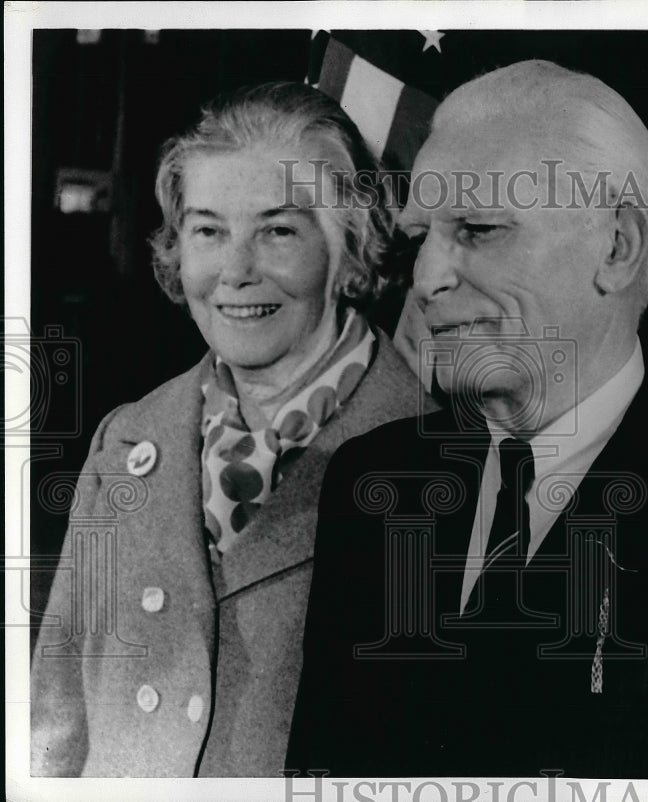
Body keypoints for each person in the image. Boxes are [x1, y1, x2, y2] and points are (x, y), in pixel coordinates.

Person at [288, 61, 648, 778]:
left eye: (479, 229)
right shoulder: (369, 484)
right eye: (421, 238)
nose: (427, 279)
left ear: (618, 247)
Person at [30, 82, 434, 777]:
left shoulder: (438, 464)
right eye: (209, 231)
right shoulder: (126, 441)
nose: (236, 271)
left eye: (278, 231)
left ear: (348, 247)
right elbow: (55, 729)